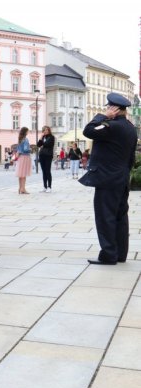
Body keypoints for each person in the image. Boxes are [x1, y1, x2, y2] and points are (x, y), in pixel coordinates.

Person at [79, 93, 137, 265]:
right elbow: (131, 157)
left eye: (108, 107)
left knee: (105, 216)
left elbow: (88, 131)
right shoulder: (130, 127)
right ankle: (120, 254)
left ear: (114, 109)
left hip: (107, 178)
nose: (105, 110)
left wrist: (103, 116)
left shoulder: (112, 127)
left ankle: (109, 254)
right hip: (121, 177)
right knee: (120, 216)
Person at [37, 126, 55, 192]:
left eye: (47, 130)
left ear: (49, 130)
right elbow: (38, 145)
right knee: (43, 171)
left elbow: (47, 144)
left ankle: (49, 187)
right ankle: (44, 186)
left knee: (48, 171)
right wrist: (41, 138)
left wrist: (42, 144)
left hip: (48, 156)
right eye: (44, 130)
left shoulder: (51, 137)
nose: (45, 131)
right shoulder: (43, 137)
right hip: (42, 155)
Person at [14, 126, 32, 194]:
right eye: (27, 131)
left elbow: (18, 149)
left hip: (20, 157)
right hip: (25, 157)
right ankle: (23, 189)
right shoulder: (26, 139)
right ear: (25, 132)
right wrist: (30, 149)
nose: (28, 132)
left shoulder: (20, 139)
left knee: (20, 174)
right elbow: (25, 149)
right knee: (24, 174)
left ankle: (20, 188)